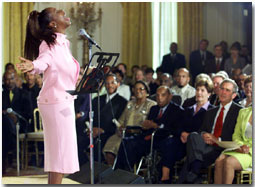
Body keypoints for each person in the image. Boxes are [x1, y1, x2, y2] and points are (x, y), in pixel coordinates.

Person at [16, 8, 80, 184]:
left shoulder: (63, 44)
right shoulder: (48, 45)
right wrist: (33, 66)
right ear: (53, 24)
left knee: (58, 159)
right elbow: (43, 61)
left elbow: (64, 72)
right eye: (58, 11)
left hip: (64, 102)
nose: (63, 11)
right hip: (55, 104)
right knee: (59, 158)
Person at [177, 79, 242, 184]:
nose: (223, 92)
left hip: (223, 148)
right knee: (193, 135)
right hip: (206, 147)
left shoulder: (239, 111)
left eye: (227, 90)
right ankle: (196, 169)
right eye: (221, 89)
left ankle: (194, 171)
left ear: (234, 95)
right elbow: (202, 131)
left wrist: (216, 139)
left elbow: (237, 136)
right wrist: (205, 136)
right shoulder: (211, 111)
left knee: (191, 157)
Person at [160, 78, 214, 183]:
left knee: (186, 148)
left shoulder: (212, 111)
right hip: (182, 142)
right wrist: (182, 133)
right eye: (197, 89)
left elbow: (207, 130)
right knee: (169, 143)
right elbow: (177, 126)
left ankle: (182, 179)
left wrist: (189, 135)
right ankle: (165, 176)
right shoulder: (188, 109)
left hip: (198, 145)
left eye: (203, 90)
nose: (199, 93)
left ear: (209, 94)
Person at [103, 81, 156, 165]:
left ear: (146, 91)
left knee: (124, 146)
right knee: (110, 147)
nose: (138, 91)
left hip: (138, 134)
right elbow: (121, 120)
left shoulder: (151, 105)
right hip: (123, 133)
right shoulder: (130, 103)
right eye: (136, 89)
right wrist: (119, 128)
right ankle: (111, 172)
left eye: (141, 89)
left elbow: (149, 124)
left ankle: (123, 171)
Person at [214, 106, 252, 184]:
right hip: (240, 147)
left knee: (229, 162)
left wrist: (248, 149)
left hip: (251, 152)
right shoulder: (243, 111)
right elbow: (236, 135)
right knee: (219, 161)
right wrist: (241, 146)